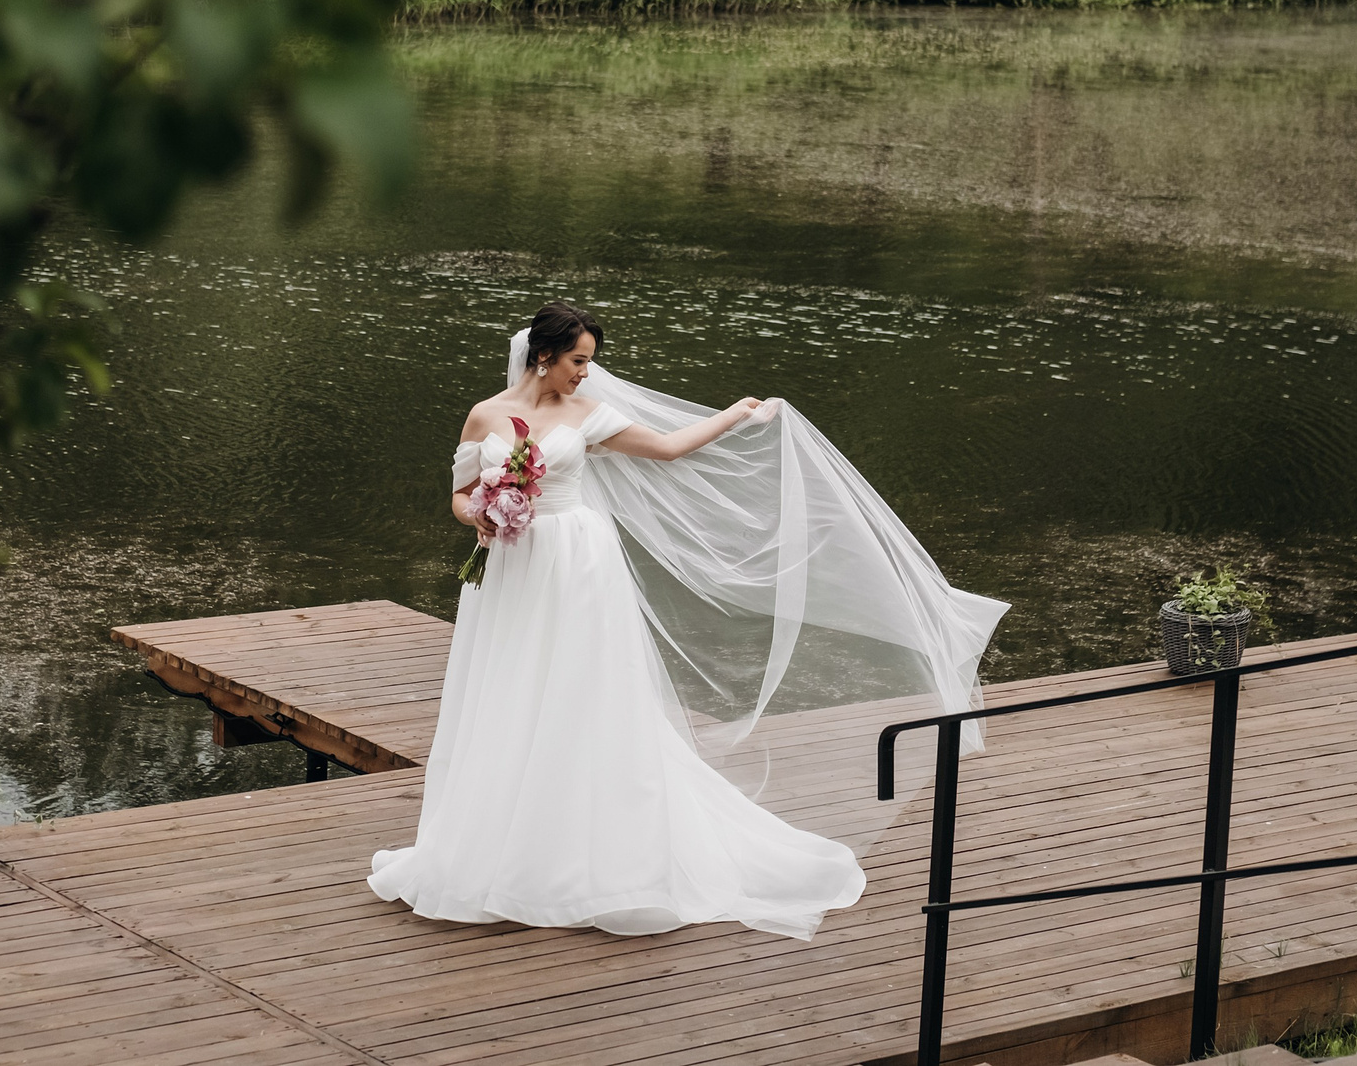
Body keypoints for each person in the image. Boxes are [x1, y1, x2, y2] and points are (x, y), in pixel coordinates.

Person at [368, 300, 1007, 941]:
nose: (586, 374)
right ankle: (493, 841)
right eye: (578, 361)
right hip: (508, 564)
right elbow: (456, 493)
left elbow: (670, 450)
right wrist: (478, 512)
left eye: (589, 362)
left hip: (578, 565)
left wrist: (738, 412)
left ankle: (587, 855)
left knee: (579, 694)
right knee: (506, 690)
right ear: (544, 356)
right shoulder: (485, 414)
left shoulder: (587, 416)